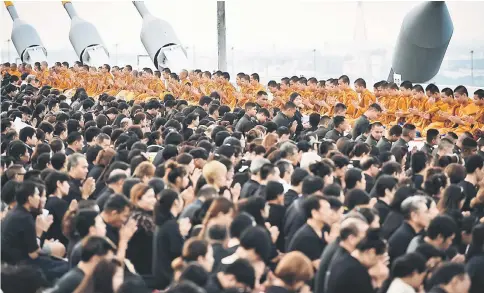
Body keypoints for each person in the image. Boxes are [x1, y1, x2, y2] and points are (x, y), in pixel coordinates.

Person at [1, 181, 69, 281]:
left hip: (12, 261)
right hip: (22, 265)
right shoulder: (25, 218)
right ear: (30, 198)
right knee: (67, 267)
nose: (40, 198)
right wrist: (41, 231)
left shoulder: (14, 212)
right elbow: (33, 254)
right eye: (37, 194)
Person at [326, 229, 387, 293]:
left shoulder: (341, 261)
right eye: (379, 258)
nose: (379, 263)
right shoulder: (358, 272)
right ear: (371, 252)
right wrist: (380, 281)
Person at [47, 236, 116, 293]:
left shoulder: (81, 277)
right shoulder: (75, 280)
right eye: (109, 261)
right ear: (95, 259)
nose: (111, 265)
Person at [153, 189, 189, 289]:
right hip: (168, 277)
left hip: (161, 274)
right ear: (176, 202)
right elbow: (178, 250)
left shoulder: (165, 223)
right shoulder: (171, 225)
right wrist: (183, 235)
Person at [288, 195, 332, 269]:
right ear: (314, 213)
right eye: (327, 209)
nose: (331, 213)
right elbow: (320, 266)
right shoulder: (307, 237)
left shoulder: (324, 229)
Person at [126, 183, 157, 276]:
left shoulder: (149, 216)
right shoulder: (140, 220)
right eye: (149, 197)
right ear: (137, 199)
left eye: (154, 196)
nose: (154, 200)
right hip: (142, 269)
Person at [388, 196, 430, 263]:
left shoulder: (416, 233)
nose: (429, 216)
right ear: (414, 216)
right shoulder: (402, 238)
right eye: (426, 212)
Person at [44, 171, 72, 246]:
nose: (69, 186)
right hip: (59, 244)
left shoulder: (47, 201)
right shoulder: (60, 203)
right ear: (59, 183)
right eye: (67, 183)